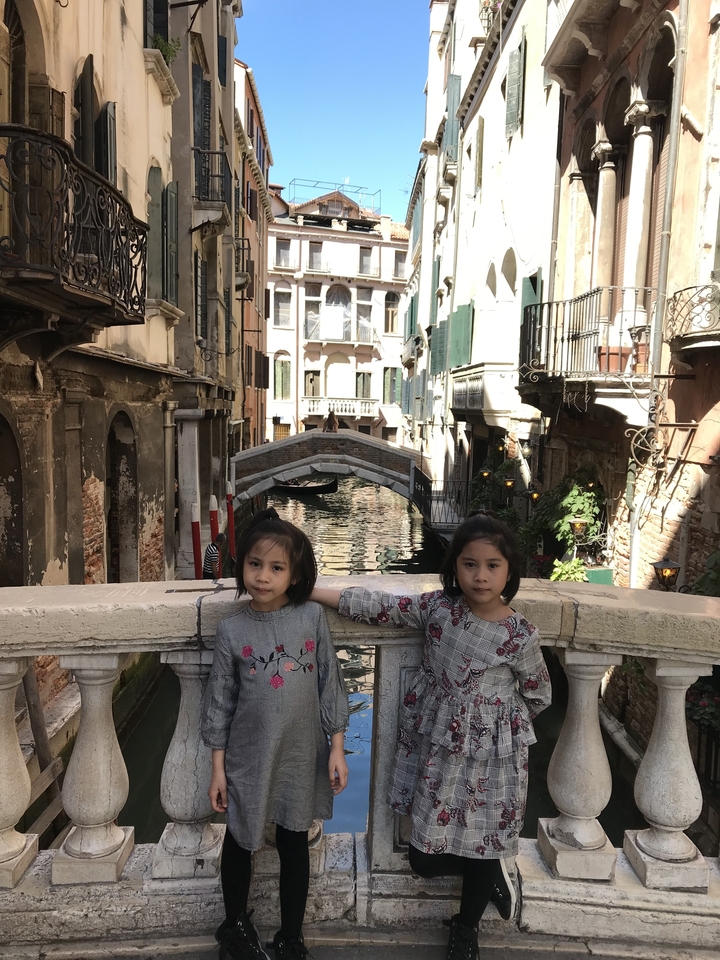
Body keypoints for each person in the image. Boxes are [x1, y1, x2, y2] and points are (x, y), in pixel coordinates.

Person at [312, 512, 551, 960]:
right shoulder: (439, 609)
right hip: (439, 747)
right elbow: (375, 605)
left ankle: (466, 928)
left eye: (492, 565)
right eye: (469, 564)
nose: (480, 576)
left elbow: (538, 694)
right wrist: (308, 588)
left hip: (492, 757)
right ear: (454, 567)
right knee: (423, 858)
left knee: (483, 841)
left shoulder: (521, 636)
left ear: (509, 569)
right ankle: (490, 871)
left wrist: (495, 723)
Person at [201, 508, 350, 960]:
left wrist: (338, 747)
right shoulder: (231, 630)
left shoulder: (309, 619)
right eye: (254, 564)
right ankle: (234, 926)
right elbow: (220, 702)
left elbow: (330, 682)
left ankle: (291, 936)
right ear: (241, 564)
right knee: (240, 839)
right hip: (248, 754)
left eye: (277, 567)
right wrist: (218, 769)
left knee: (293, 842)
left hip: (302, 752)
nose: (263, 576)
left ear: (295, 575)